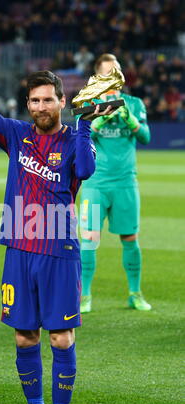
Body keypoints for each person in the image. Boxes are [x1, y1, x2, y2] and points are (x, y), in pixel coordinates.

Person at [0, 27, 113, 404]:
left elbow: (84, 170)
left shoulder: (73, 139)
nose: (41, 106)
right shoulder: (16, 135)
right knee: (23, 334)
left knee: (62, 337)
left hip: (60, 249)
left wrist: (85, 125)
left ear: (61, 101)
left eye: (48, 99)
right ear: (28, 104)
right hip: (19, 248)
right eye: (34, 100)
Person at [79, 53, 152, 314]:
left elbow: (145, 137)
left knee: (130, 237)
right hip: (96, 183)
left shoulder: (133, 103)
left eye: (117, 72)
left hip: (125, 183)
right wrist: (99, 121)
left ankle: (135, 293)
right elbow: (80, 141)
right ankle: (84, 296)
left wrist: (130, 120)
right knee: (88, 239)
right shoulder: (89, 104)